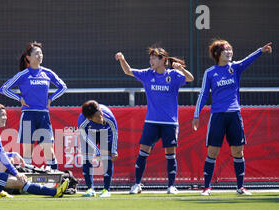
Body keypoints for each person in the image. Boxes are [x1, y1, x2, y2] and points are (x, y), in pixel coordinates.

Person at [193, 40, 273, 196]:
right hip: (217, 116)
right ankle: (207, 187)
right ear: (217, 54)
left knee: (238, 151)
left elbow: (248, 60)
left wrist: (260, 50)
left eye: (230, 49)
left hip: (234, 115)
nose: (229, 52)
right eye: (225, 50)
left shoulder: (235, 68)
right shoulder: (210, 72)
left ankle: (240, 187)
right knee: (213, 152)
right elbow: (203, 95)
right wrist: (196, 114)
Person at [115, 47, 194, 194]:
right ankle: (137, 184)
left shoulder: (174, 75)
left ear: (163, 59)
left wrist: (181, 69)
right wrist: (122, 59)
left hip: (170, 122)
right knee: (143, 152)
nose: (151, 60)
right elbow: (128, 71)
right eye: (150, 58)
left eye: (154, 58)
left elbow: (190, 78)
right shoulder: (147, 74)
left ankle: (171, 186)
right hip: (151, 121)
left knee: (170, 154)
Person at [0, 103, 69, 198]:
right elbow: (1, 155)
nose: (5, 118)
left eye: (5, 115)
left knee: (10, 161)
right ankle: (55, 192)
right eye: (2, 115)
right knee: (21, 182)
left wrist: (13, 154)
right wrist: (17, 173)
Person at [0, 41, 67, 170]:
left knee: (49, 150)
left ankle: (56, 183)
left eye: (41, 53)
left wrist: (51, 99)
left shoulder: (47, 73)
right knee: (27, 152)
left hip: (43, 116)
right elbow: (4, 89)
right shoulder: (23, 74)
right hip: (28, 115)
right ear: (28, 58)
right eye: (36, 53)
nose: (40, 56)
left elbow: (63, 87)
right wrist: (19, 98)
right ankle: (26, 184)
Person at [78, 100, 118, 197]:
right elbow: (85, 136)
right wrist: (96, 150)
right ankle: (90, 189)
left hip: (105, 132)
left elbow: (114, 131)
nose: (100, 118)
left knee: (107, 157)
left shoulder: (108, 116)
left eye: (100, 114)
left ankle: (106, 190)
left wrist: (113, 150)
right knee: (87, 158)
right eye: (96, 117)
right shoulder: (83, 121)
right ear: (90, 118)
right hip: (89, 134)